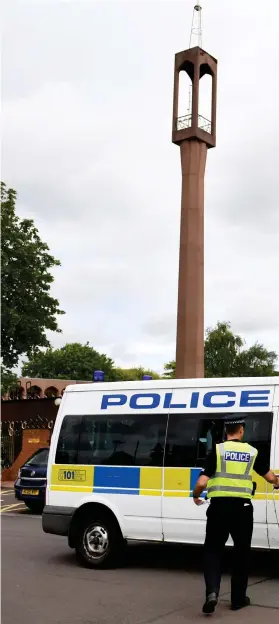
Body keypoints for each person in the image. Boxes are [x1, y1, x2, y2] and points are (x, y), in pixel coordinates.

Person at [192, 418, 279, 615]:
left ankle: (212, 593)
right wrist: (277, 482)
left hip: (219, 508)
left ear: (226, 431)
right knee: (241, 553)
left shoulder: (217, 450)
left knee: (213, 550)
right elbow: (270, 477)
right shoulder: (251, 452)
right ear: (241, 430)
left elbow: (202, 482)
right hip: (243, 509)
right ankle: (238, 599)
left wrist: (196, 495)